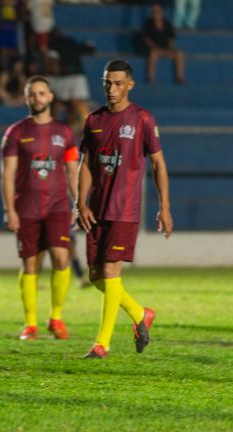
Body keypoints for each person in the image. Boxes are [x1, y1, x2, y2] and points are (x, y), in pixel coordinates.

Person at [77, 59, 173, 359]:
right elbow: (87, 165)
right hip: (96, 208)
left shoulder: (143, 119)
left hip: (125, 209)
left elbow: (158, 164)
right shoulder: (93, 120)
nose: (111, 88)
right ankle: (140, 313)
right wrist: (80, 203)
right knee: (95, 277)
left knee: (109, 270)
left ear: (130, 85)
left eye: (118, 83)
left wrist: (164, 207)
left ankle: (101, 344)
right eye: (107, 82)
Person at [0, 75, 79, 341]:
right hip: (27, 208)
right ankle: (30, 324)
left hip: (57, 207)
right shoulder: (15, 132)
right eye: (32, 94)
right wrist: (9, 209)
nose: (37, 98)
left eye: (42, 93)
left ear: (50, 97)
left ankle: (56, 318)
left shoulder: (65, 133)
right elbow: (7, 174)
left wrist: (78, 202)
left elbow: (72, 172)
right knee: (30, 263)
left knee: (61, 257)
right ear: (26, 98)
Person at [141, 3, 186, 85]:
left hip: (166, 49)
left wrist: (169, 48)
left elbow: (171, 37)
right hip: (154, 49)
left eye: (157, 11)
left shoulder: (167, 24)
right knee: (153, 54)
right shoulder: (148, 24)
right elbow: (146, 39)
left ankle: (180, 77)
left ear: (162, 12)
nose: (155, 13)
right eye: (153, 11)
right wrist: (155, 47)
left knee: (179, 53)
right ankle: (150, 77)